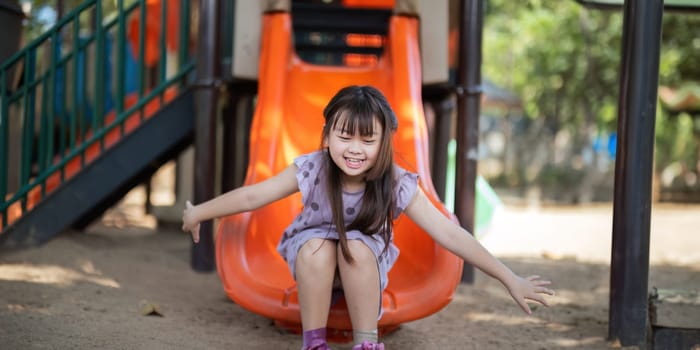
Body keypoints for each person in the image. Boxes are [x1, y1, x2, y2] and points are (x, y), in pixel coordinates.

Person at [182, 85, 554, 350]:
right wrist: (199, 212)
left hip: (363, 267)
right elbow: (253, 194)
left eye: (368, 140)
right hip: (314, 264)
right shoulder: (312, 169)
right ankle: (314, 343)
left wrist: (509, 277)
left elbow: (449, 232)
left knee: (357, 247)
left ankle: (366, 343)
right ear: (327, 136)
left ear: (384, 144)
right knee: (317, 246)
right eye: (345, 136)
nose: (355, 149)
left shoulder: (394, 181)